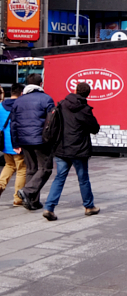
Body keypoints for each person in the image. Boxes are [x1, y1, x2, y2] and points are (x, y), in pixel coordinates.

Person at [42, 83, 101, 221]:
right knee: (83, 178)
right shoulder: (85, 109)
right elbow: (95, 128)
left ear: (74, 91)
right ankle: (89, 206)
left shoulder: (62, 105)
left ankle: (49, 207)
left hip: (61, 147)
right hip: (79, 150)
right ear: (87, 94)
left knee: (59, 178)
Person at [11, 73, 55, 211]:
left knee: (31, 169)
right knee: (46, 168)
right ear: (41, 84)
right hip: (41, 140)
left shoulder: (18, 101)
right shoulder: (46, 99)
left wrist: (15, 143)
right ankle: (28, 191)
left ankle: (32, 202)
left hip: (23, 140)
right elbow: (52, 121)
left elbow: (13, 123)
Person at [0, 83, 26, 206]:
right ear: (21, 93)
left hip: (5, 144)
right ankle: (18, 198)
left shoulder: (1, 106)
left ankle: (0, 185)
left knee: (9, 165)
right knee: (21, 170)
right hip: (18, 144)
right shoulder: (21, 106)